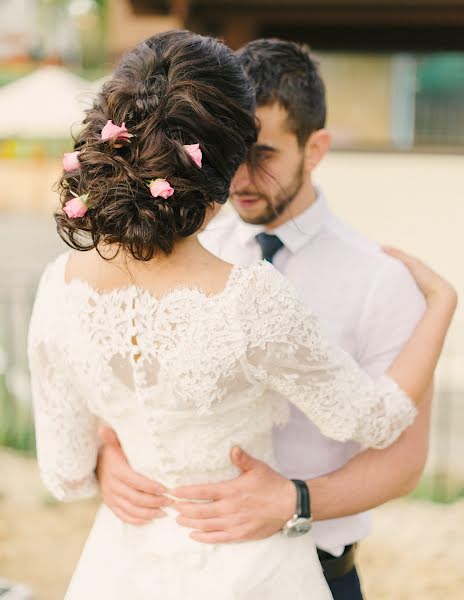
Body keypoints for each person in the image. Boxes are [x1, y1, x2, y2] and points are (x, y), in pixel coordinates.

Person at [28, 31, 456, 600]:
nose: (246, 179)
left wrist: (295, 499)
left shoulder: (380, 279)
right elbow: (370, 416)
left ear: (315, 148)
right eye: (239, 157)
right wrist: (111, 456)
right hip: (194, 564)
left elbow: (62, 468)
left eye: (266, 154)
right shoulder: (243, 289)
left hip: (263, 561)